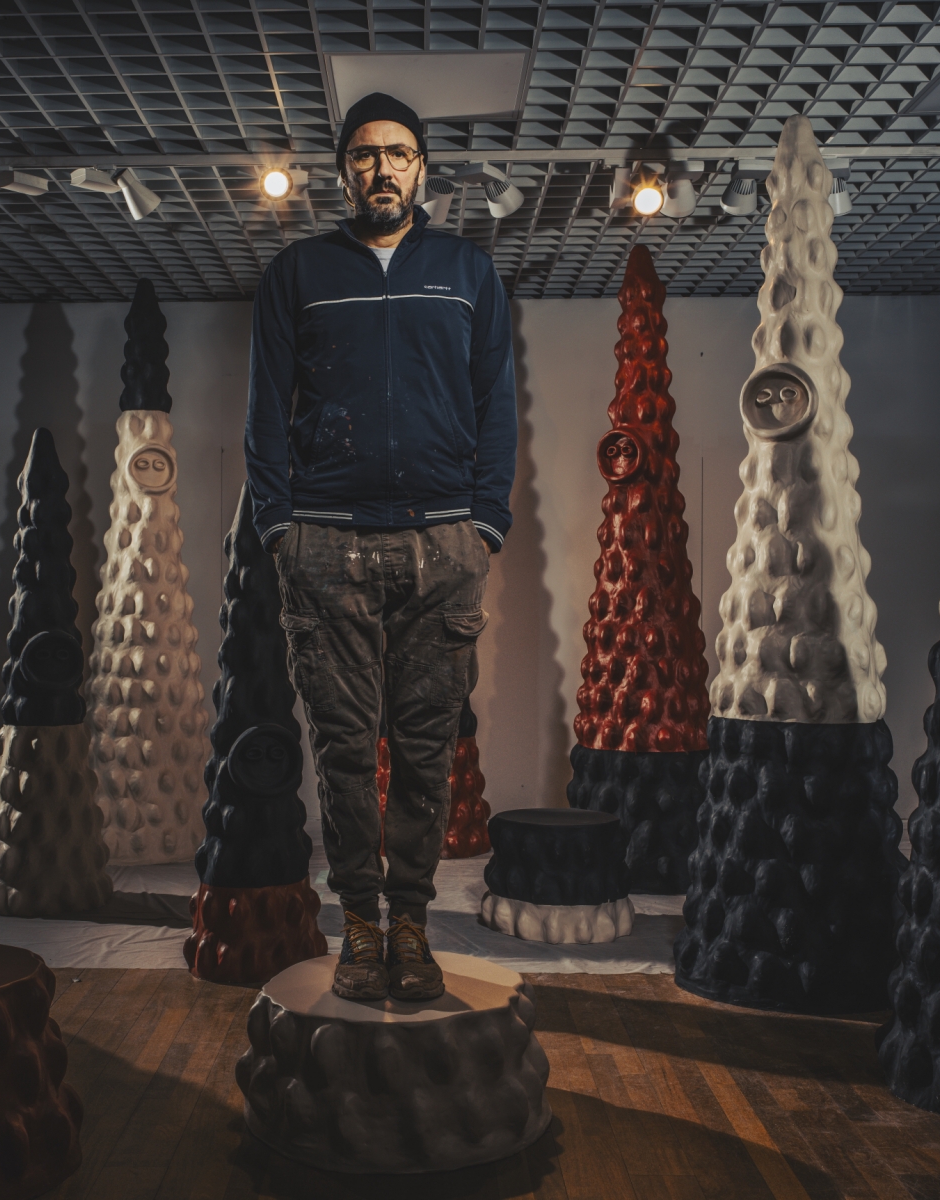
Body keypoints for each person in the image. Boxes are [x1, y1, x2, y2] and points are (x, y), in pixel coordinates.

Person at [245, 92, 517, 1001]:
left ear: (422, 169)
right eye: (364, 155)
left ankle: (411, 926)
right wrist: (278, 526)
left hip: (444, 543)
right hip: (326, 544)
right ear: (344, 173)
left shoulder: (467, 271)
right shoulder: (299, 273)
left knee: (427, 753)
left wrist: (485, 523)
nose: (382, 169)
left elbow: (498, 405)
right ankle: (360, 924)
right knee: (345, 753)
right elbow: (265, 409)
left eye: (398, 153)